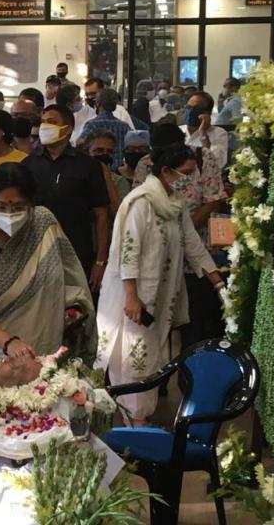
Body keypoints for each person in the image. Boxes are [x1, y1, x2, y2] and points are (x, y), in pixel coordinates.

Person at [95, 144, 225, 425]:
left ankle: (139, 420)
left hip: (159, 298)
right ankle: (134, 422)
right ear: (166, 170)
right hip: (133, 298)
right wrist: (131, 296)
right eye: (186, 173)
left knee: (152, 357)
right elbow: (129, 251)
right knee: (131, 356)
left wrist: (217, 281)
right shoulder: (141, 202)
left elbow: (193, 245)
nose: (190, 179)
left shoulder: (175, 204)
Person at [0, 163, 96, 361]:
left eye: (19, 207)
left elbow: (67, 274)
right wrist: (8, 342)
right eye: (1, 206)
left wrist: (73, 307)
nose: (9, 213)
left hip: (45, 350)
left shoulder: (42, 224)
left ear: (32, 203)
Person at [132, 122, 228, 352]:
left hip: (194, 259)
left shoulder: (201, 159)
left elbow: (213, 200)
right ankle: (160, 379)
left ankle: (190, 374)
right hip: (158, 262)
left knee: (194, 323)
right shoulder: (144, 171)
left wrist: (182, 231)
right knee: (156, 324)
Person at [23, 105, 110, 292]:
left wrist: (100, 262)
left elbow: (102, 216)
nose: (45, 126)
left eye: (52, 122)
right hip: (36, 253)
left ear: (68, 128)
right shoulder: (28, 164)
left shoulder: (88, 166)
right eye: (43, 122)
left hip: (77, 254)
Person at [77, 88, 131, 169]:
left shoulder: (92, 125)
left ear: (98, 103)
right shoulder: (125, 126)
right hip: (120, 172)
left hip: (97, 170)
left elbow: (80, 144)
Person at [85, 129, 131, 223]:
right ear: (87, 152)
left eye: (109, 152)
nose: (104, 154)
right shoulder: (78, 177)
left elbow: (121, 217)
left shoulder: (120, 182)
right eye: (99, 150)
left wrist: (105, 176)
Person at [181, 91, 228, 170]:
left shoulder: (218, 133)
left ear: (207, 113)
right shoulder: (179, 130)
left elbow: (217, 163)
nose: (190, 111)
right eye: (188, 107)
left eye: (196, 108)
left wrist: (203, 133)